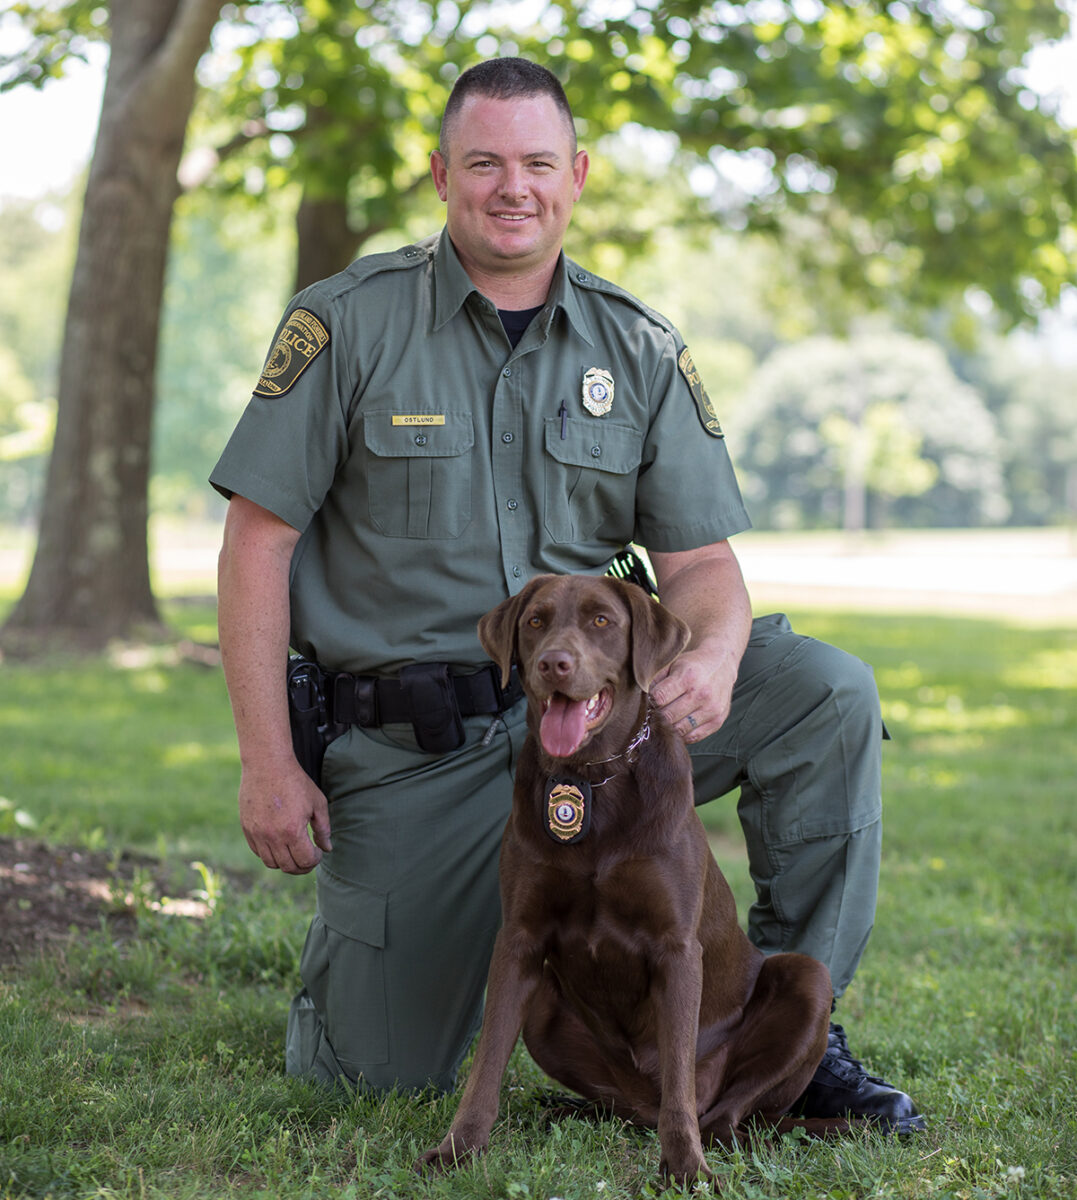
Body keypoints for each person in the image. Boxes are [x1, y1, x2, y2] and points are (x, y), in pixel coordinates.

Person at [212, 57, 924, 1132]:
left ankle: (788, 1031)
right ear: (440, 173)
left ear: (576, 174)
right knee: (371, 1075)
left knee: (824, 690)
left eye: (538, 163)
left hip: (609, 725)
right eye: (484, 162)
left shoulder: (636, 346)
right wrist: (269, 763)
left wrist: (716, 659)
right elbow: (258, 542)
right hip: (426, 751)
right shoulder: (348, 323)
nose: (513, 187)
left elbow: (702, 568)